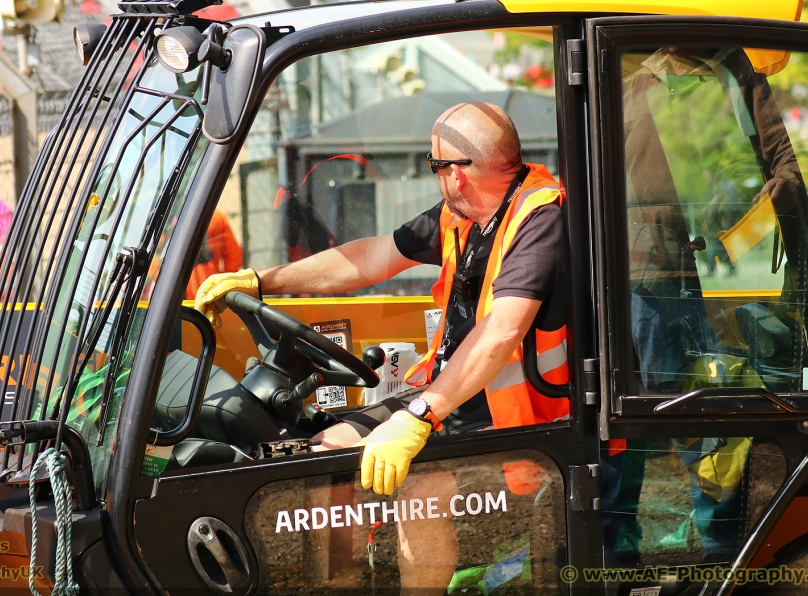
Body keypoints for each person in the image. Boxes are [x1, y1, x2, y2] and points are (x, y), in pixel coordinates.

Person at [196, 102, 570, 590]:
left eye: (434, 167)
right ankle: (339, 585)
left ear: (456, 175)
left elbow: (501, 332)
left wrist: (417, 417)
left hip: (524, 420)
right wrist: (259, 280)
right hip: (455, 396)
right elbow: (371, 257)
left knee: (421, 491)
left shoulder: (539, 219)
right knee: (324, 456)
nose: (436, 180)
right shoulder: (464, 216)